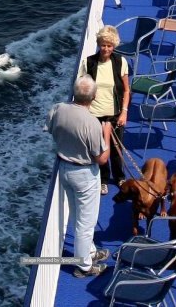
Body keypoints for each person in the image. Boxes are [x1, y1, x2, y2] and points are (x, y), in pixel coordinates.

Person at [45, 76, 113, 277]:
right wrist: (106, 133)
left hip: (64, 169)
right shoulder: (91, 123)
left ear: (74, 93)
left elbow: (49, 129)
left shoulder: (58, 108)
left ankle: (90, 252)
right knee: (87, 223)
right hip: (84, 174)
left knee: (76, 214)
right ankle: (84, 266)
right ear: (93, 96)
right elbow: (102, 158)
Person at [78, 25, 129, 193]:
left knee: (116, 148)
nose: (106, 48)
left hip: (115, 114)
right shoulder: (88, 62)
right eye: (103, 44)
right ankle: (103, 180)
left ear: (113, 46)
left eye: (109, 45)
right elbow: (82, 89)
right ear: (99, 44)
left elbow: (127, 90)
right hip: (94, 115)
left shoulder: (120, 62)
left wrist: (124, 112)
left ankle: (120, 177)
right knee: (99, 149)